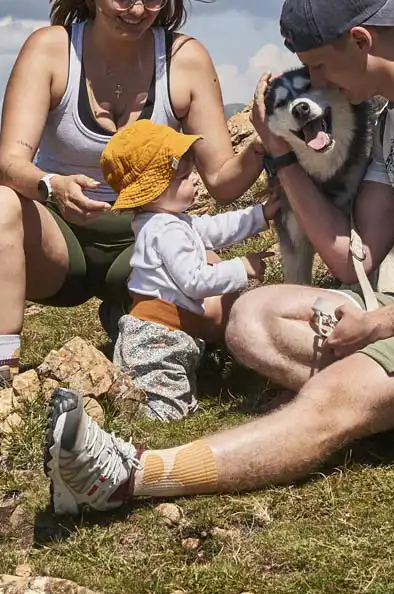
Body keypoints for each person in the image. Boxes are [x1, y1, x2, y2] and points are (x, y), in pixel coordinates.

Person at [44, 0, 394, 511]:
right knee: (252, 322)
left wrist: (377, 325)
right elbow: (354, 258)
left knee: (336, 390)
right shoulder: (393, 115)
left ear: (360, 40)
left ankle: (127, 476)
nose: (319, 84)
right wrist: (278, 155)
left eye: (319, 66)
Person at [0, 0, 264, 397]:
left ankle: (133, 317)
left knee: (222, 314)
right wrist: (52, 185)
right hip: (63, 241)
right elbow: (9, 165)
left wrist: (261, 143)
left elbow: (222, 182)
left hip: (151, 237)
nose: (138, 11)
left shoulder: (185, 59)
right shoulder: (51, 50)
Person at [98, 119, 278, 423]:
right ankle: (116, 410)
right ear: (152, 193)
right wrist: (242, 267)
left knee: (178, 400)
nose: (194, 180)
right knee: (162, 411)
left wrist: (260, 214)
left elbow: (215, 228)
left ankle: (125, 395)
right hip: (158, 338)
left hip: (169, 334)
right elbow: (195, 281)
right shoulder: (164, 229)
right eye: (182, 176)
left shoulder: (168, 221)